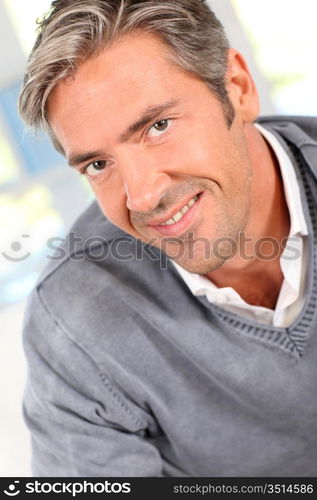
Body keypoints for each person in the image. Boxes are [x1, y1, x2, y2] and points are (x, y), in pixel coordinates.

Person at [19, 0, 317, 477]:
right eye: (98, 164)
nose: (142, 196)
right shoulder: (74, 324)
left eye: (158, 126)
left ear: (237, 88)